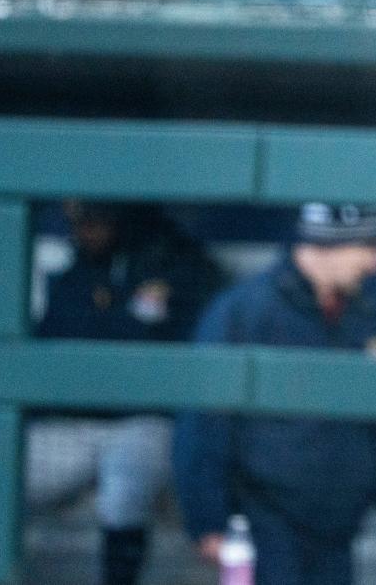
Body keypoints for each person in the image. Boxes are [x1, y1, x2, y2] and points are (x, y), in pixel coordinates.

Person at [173, 203, 376, 585]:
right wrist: (207, 518)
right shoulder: (243, 312)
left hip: (338, 530)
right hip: (264, 526)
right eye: (368, 248)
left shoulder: (364, 318)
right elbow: (204, 424)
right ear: (330, 244)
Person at [26, 200, 225, 585]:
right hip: (69, 426)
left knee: (125, 485)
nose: (88, 232)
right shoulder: (75, 275)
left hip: (140, 423)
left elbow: (181, 348)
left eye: (96, 221)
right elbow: (58, 341)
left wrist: (117, 319)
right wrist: (123, 318)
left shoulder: (172, 264)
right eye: (81, 223)